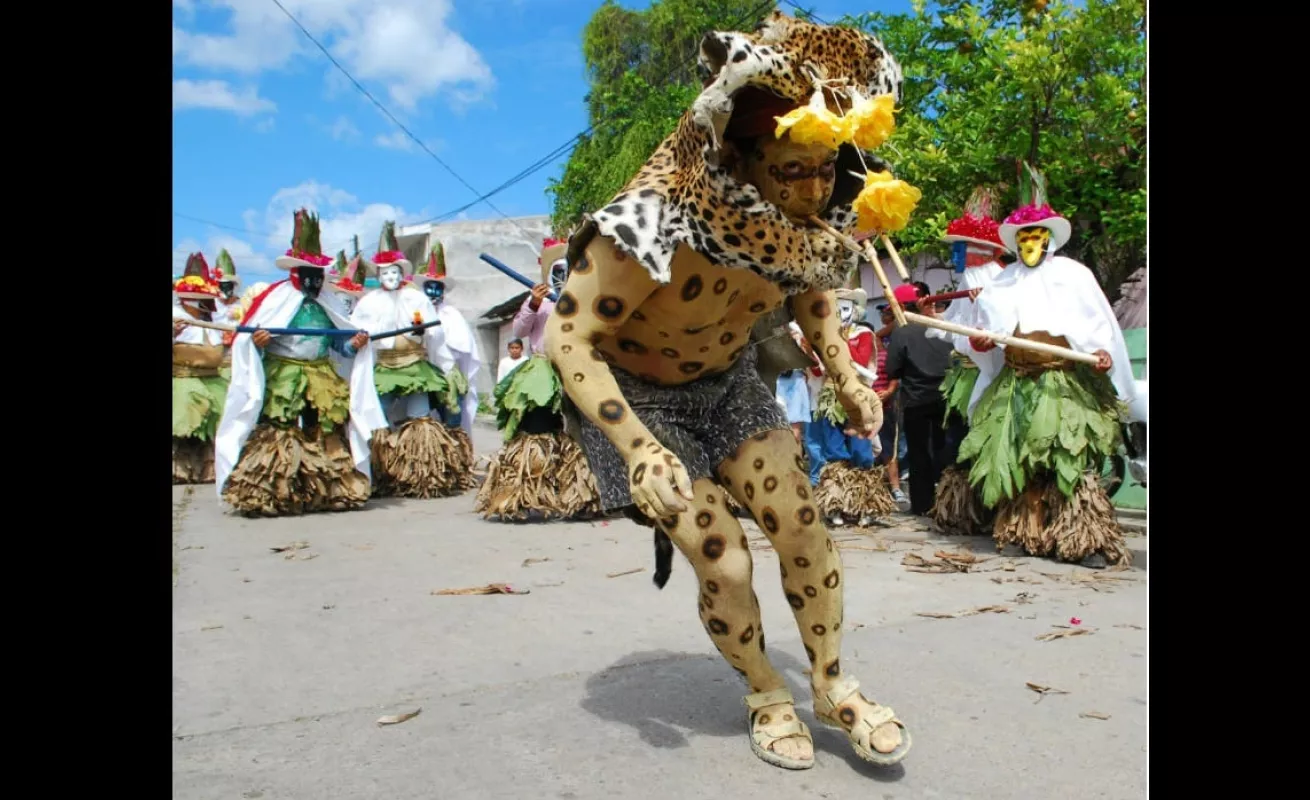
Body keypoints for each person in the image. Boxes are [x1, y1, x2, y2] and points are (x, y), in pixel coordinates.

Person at [544, 11, 911, 771]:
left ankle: (832, 683)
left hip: (728, 383)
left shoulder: (803, 219)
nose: (813, 190)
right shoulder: (648, 224)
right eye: (792, 171)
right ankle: (766, 691)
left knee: (802, 524)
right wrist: (639, 451)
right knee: (727, 561)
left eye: (825, 169)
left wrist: (845, 376)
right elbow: (566, 338)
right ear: (741, 161)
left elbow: (808, 286)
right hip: (640, 401)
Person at [959, 173, 1139, 567]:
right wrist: (982, 342)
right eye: (1022, 239)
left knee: (1067, 458)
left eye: (1036, 237)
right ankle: (1028, 531)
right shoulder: (1002, 282)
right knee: (1022, 459)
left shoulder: (1074, 276)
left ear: (1049, 239)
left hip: (1063, 383)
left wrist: (1101, 353)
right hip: (1015, 383)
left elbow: (1097, 325)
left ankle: (1083, 539)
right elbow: (982, 332)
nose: (1029, 245)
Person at [215, 209, 385, 516]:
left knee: (324, 428)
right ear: (296, 274)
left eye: (318, 277)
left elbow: (338, 344)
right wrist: (259, 343)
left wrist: (353, 344)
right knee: (283, 428)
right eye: (309, 276)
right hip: (284, 373)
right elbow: (251, 341)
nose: (314, 282)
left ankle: (329, 487)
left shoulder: (327, 305)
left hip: (321, 375)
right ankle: (275, 489)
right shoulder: (275, 301)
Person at [474, 238, 602, 521]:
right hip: (542, 372)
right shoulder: (540, 303)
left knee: (581, 430)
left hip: (576, 368)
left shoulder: (585, 301)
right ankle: (527, 493)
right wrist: (533, 303)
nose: (562, 279)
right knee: (537, 428)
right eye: (557, 273)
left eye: (567, 273)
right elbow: (519, 330)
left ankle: (581, 495)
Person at [352, 222, 472, 498]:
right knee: (376, 418)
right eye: (386, 272)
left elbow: (436, 336)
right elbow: (357, 337)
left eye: (395, 272)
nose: (391, 276)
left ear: (402, 272)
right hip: (385, 367)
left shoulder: (416, 299)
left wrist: (446, 364)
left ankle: (422, 476)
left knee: (419, 419)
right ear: (379, 274)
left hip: (415, 365)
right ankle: (379, 472)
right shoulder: (367, 304)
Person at [927, 190, 1010, 534]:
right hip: (963, 375)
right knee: (958, 438)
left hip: (992, 377)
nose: (955, 253)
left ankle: (991, 508)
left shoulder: (1001, 283)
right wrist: (932, 317)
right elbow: (954, 327)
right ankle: (969, 509)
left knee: (978, 439)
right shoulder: (968, 283)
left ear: (980, 251)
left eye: (961, 247)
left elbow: (1002, 331)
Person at [809, 288, 896, 526]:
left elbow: (858, 360)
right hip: (830, 397)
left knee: (861, 451)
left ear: (855, 310)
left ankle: (864, 505)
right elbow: (817, 370)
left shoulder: (863, 333)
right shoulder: (823, 335)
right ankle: (836, 504)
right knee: (834, 451)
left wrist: (841, 341)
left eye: (844, 308)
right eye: (835, 309)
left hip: (857, 396)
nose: (840, 313)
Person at [883, 283, 953, 516]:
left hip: (916, 400)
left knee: (919, 453)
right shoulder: (944, 327)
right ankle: (951, 501)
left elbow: (893, 367)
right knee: (946, 449)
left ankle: (922, 504)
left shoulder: (903, 333)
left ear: (901, 307)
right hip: (948, 397)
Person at [410, 239, 482, 441]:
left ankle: (455, 454)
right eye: (429, 287)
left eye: (437, 287)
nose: (433, 292)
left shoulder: (452, 315)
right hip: (421, 374)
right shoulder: (415, 313)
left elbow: (463, 348)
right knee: (421, 420)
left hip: (448, 374)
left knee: (453, 416)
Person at [173, 253, 227, 484]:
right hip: (184, 378)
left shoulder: (213, 319)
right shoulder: (176, 316)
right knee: (185, 413)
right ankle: (180, 468)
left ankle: (212, 468)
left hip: (214, 378)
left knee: (223, 413)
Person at [870, 303, 907, 504]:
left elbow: (894, 376)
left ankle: (895, 487)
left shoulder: (887, 354)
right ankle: (872, 487)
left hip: (886, 408)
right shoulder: (855, 357)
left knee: (889, 448)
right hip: (864, 410)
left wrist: (890, 391)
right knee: (867, 449)